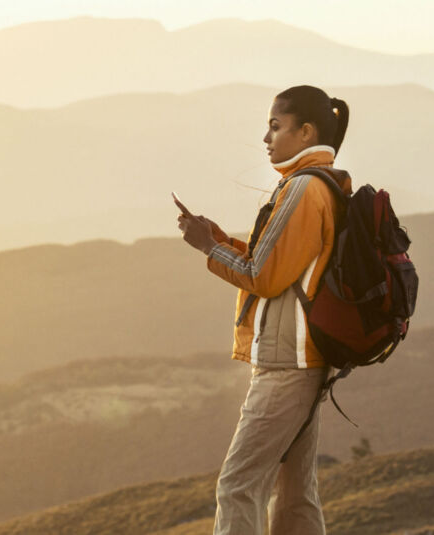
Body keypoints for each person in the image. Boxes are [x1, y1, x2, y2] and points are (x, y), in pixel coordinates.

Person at [176, 85, 352, 534]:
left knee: (238, 486)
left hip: (286, 363)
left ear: (306, 131)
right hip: (308, 358)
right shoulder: (323, 184)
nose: (266, 137)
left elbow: (263, 276)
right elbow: (283, 266)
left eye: (276, 126)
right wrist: (219, 241)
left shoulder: (302, 190)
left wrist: (208, 249)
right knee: (294, 491)